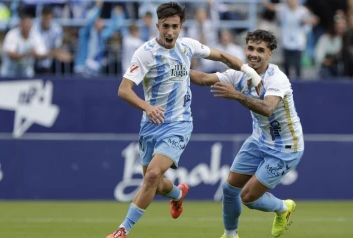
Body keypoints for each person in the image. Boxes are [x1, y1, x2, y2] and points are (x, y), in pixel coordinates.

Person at [106, 2, 261, 238]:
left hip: (179, 124)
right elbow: (124, 90)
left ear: (181, 26)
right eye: (165, 26)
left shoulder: (187, 46)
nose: (170, 32)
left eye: (175, 26)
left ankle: (122, 230)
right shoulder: (145, 53)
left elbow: (220, 55)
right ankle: (178, 194)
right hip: (151, 124)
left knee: (151, 175)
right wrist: (147, 107)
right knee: (156, 184)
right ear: (158, 25)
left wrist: (248, 71)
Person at [190, 29, 304, 238]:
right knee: (229, 189)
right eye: (250, 48)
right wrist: (175, 69)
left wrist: (236, 95)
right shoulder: (240, 73)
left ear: (270, 54)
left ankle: (283, 208)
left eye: (261, 50)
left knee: (248, 197)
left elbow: (268, 108)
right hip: (259, 140)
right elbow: (205, 78)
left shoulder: (277, 78)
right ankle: (230, 234)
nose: (254, 54)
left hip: (285, 147)